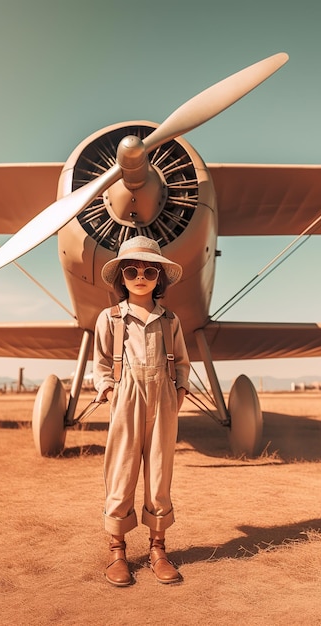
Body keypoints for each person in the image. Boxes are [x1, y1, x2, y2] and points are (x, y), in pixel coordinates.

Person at [93, 235, 190, 587]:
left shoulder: (170, 320)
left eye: (149, 270)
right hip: (127, 394)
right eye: (131, 269)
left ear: (159, 278)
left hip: (163, 395)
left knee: (160, 471)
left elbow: (181, 361)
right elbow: (101, 361)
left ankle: (158, 549)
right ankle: (117, 550)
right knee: (121, 469)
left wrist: (178, 390)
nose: (140, 276)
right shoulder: (111, 318)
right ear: (121, 277)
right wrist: (108, 387)